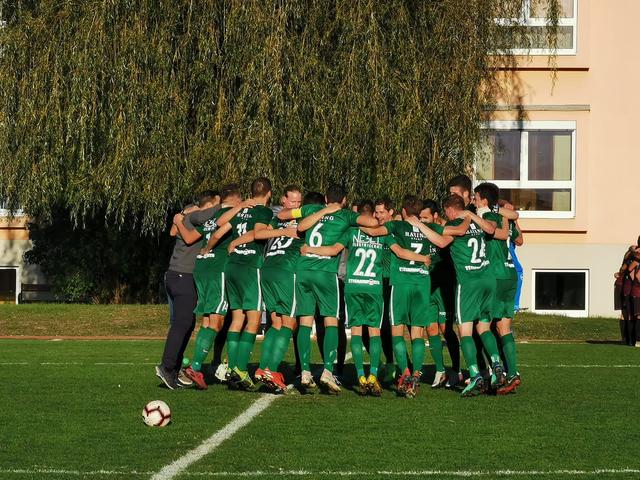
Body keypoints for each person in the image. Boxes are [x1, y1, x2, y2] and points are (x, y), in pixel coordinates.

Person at [301, 200, 424, 396]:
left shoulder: (350, 233)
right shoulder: (383, 235)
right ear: (372, 218)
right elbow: (400, 252)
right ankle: (373, 375)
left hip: (353, 287)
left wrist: (310, 249)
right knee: (374, 332)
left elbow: (333, 250)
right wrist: (423, 258)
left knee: (357, 333)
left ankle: (360, 376)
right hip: (374, 287)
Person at [279, 184, 378, 394]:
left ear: (325, 197)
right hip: (325, 273)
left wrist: (321, 211)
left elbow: (284, 215)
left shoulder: (308, 210)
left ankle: (305, 371)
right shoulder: (344, 214)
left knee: (305, 321)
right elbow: (372, 221)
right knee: (331, 321)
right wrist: (351, 217)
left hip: (304, 271)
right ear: (343, 200)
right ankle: (327, 371)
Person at [359, 196, 439, 398]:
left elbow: (378, 235)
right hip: (421, 282)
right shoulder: (427, 229)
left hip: (399, 282)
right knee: (417, 333)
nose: (378, 216)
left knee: (396, 331)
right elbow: (448, 237)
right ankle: (416, 375)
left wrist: (350, 221)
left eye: (381, 212)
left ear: (400, 211)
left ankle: (404, 372)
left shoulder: (395, 227)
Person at [203, 177, 274, 389]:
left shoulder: (240, 210)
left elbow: (218, 229)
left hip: (232, 266)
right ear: (269, 193)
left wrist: (208, 248)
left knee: (237, 317)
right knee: (253, 319)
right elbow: (258, 233)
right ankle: (241, 369)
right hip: (251, 266)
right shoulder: (264, 211)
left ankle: (233, 367)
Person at [156, 191, 220, 390]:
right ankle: (166, 367)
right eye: (216, 203)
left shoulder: (189, 214)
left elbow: (173, 232)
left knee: (185, 323)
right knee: (181, 324)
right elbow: (189, 234)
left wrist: (180, 216)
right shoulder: (200, 216)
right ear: (209, 204)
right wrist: (233, 204)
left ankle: (174, 370)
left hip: (174, 275)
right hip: (184, 276)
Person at [182, 184, 242, 389]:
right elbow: (219, 234)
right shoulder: (233, 213)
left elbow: (192, 234)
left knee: (207, 320)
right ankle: (196, 367)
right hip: (218, 269)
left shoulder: (209, 217)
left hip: (202, 268)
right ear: (235, 199)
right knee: (217, 321)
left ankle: (197, 367)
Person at [253, 185, 304, 392]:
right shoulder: (301, 219)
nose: (296, 205)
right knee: (290, 323)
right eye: (293, 201)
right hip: (285, 270)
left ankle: (263, 367)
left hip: (268, 269)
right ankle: (271, 369)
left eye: (299, 202)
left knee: (275, 322)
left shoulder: (276, 219)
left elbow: (264, 231)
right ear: (283, 200)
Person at [473, 183, 521, 394]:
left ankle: (497, 368)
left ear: (483, 199)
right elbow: (517, 235)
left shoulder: (485, 214)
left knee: (482, 327)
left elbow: (500, 235)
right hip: (511, 274)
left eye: (476, 197)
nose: (474, 201)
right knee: (504, 328)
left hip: (495, 274)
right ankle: (513, 374)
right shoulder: (506, 215)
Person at [418, 199, 461, 388]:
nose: (422, 221)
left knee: (447, 329)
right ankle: (440, 370)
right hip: (428, 287)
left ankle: (456, 370)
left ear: (435, 216)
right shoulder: (419, 231)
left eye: (425, 217)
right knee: (430, 328)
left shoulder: (445, 229)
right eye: (420, 217)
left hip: (444, 286)